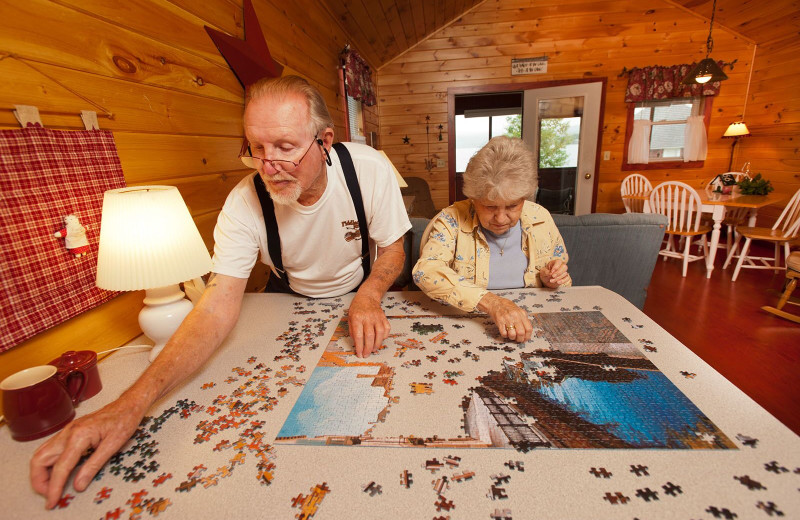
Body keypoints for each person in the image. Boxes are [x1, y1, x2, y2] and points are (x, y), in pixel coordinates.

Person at [30, 75, 410, 509]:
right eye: (257, 148)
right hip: (286, 298)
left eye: (286, 147)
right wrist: (129, 403)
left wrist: (368, 294)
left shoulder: (369, 168)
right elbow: (215, 307)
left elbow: (393, 249)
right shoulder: (243, 203)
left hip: (363, 292)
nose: (270, 165)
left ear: (324, 141)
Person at [412, 136, 570, 342]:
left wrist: (551, 279)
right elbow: (426, 271)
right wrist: (493, 303)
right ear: (474, 198)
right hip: (466, 325)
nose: (501, 218)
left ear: (525, 198)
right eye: (490, 206)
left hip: (531, 325)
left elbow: (561, 275)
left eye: (512, 206)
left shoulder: (541, 217)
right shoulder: (451, 219)